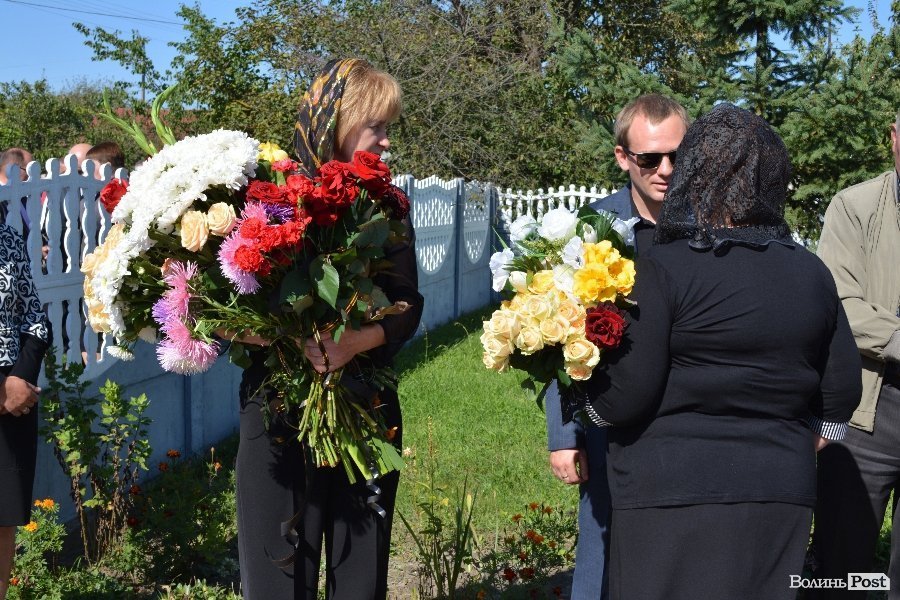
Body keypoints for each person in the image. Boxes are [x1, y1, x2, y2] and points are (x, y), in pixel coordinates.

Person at [584, 104, 862, 600]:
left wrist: (585, 397)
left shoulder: (662, 269)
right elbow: (841, 391)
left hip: (667, 490)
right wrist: (796, 438)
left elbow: (626, 397)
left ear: (694, 176)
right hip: (777, 491)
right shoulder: (811, 272)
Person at [233, 59, 423, 600]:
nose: (386, 141)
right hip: (276, 410)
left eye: (389, 128)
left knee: (359, 572)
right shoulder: (268, 199)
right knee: (276, 572)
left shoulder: (385, 206)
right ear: (338, 123)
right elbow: (223, 313)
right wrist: (286, 337)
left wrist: (355, 342)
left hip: (364, 403)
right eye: (376, 127)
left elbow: (408, 303)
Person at [543, 94, 687, 599]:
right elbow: (558, 335)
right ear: (623, 157)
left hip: (686, 418)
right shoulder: (591, 231)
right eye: (650, 158)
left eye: (677, 155)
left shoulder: (706, 227)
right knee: (602, 544)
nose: (665, 170)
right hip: (607, 419)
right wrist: (564, 435)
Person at [809, 109, 900, 598]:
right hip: (868, 408)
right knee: (841, 569)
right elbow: (840, 304)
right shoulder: (854, 207)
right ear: (894, 138)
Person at [0, 220, 50, 599]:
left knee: (2, 522)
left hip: (14, 396)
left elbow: (35, 319)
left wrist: (19, 380)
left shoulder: (7, 236)